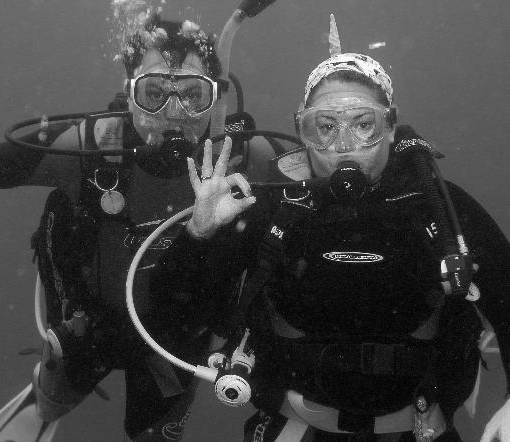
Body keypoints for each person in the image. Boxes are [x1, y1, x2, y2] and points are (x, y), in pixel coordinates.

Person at [150, 15, 510, 442]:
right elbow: (172, 316)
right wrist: (199, 235)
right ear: (303, 132)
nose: (343, 146)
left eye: (363, 124)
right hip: (292, 427)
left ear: (391, 127)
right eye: (324, 127)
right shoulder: (271, 209)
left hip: (419, 432)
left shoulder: (437, 209)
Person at [0, 13, 279, 442]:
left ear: (215, 99)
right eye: (153, 93)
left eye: (191, 94)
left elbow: (325, 161)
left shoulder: (239, 157)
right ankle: (45, 402)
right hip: (91, 327)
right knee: (57, 396)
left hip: (180, 338)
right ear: (129, 95)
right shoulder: (87, 149)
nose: (173, 112)